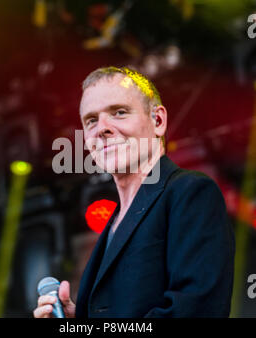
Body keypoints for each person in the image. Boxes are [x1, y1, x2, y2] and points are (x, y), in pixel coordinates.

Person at [33, 66, 235, 318]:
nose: (102, 128)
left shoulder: (190, 192)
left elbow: (195, 312)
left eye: (119, 112)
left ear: (158, 121)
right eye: (91, 120)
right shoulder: (113, 222)